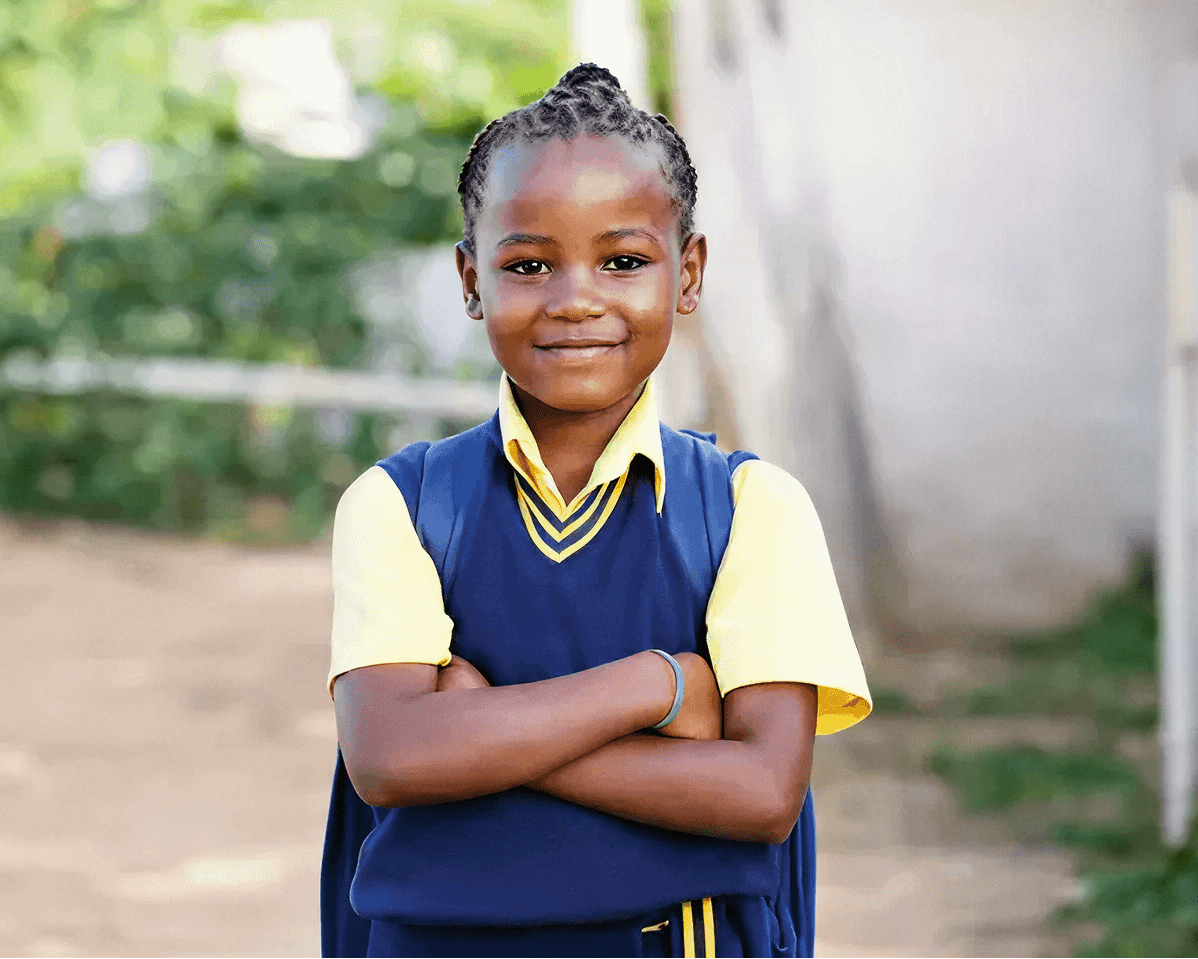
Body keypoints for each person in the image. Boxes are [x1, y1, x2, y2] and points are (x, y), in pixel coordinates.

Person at [321, 63, 871, 958]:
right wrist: (657, 685)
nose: (576, 297)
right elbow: (390, 758)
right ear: (471, 280)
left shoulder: (748, 510)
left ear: (687, 274)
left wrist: (483, 725)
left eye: (623, 260)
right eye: (528, 263)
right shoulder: (402, 504)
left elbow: (765, 791)